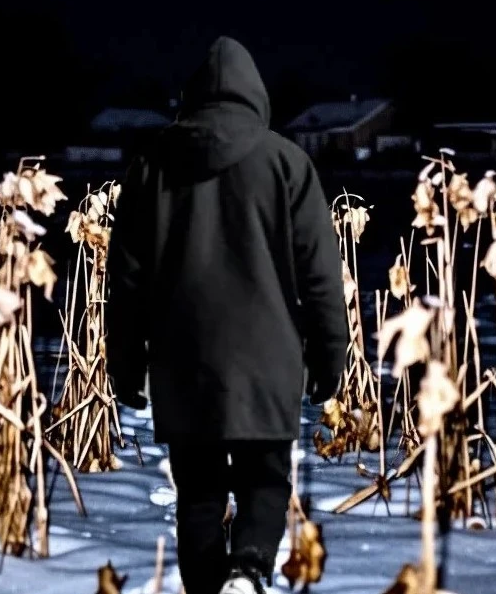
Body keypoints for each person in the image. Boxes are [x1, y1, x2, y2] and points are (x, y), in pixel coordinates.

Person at [106, 36, 348, 594]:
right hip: (267, 359)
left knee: (198, 493)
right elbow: (320, 274)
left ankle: (211, 585)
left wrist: (125, 361)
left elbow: (127, 280)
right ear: (255, 95)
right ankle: (249, 568)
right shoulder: (287, 162)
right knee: (265, 481)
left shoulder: (151, 166)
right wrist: (329, 354)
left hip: (183, 359)